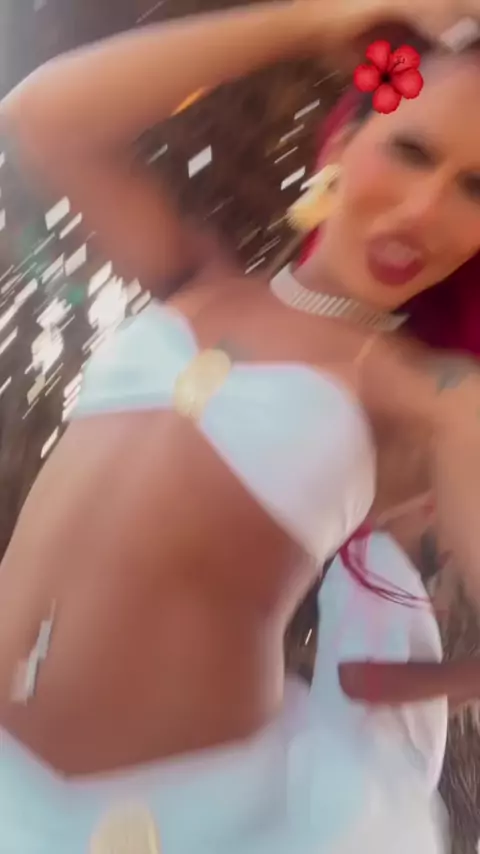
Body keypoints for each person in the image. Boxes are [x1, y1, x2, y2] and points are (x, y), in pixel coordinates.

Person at [1, 0, 480, 850]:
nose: (420, 210)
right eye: (410, 152)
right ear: (340, 144)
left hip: (180, 823)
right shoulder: (195, 277)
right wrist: (314, 22)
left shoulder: (434, 395)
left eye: (475, 191)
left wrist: (441, 677)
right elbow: (40, 117)